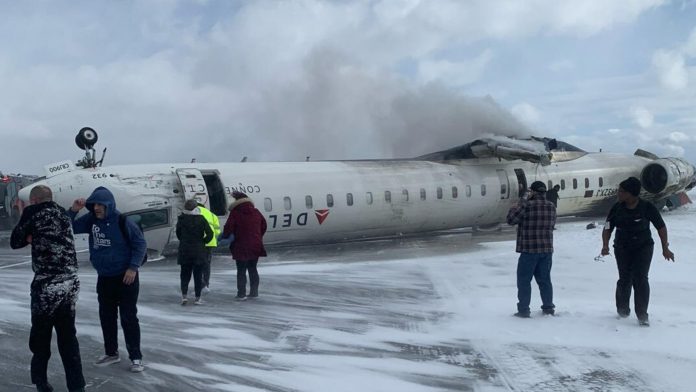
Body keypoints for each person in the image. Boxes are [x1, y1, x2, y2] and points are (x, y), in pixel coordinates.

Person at [10, 185, 86, 392]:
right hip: (70, 282)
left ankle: (41, 383)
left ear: (33, 200)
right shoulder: (62, 213)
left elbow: (14, 242)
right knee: (68, 337)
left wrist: (26, 232)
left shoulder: (33, 212)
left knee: (41, 337)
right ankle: (77, 386)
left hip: (47, 285)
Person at [68, 186, 147, 372]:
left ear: (109, 205)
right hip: (104, 277)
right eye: (94, 204)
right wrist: (73, 211)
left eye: (100, 205)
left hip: (126, 277)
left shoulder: (123, 221)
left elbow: (140, 244)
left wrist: (132, 268)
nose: (96, 208)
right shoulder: (91, 220)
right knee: (107, 317)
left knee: (128, 318)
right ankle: (111, 353)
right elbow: (69, 226)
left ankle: (136, 357)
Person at [601, 177, 674, 326]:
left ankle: (642, 315)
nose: (619, 194)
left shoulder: (647, 207)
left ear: (631, 193)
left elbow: (661, 227)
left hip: (643, 247)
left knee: (640, 279)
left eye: (622, 191)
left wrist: (665, 248)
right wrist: (605, 245)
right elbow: (608, 227)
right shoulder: (617, 208)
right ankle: (622, 311)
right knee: (624, 279)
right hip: (622, 248)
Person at [506, 181, 557, 318]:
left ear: (533, 192)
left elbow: (511, 220)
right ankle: (548, 308)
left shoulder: (527, 206)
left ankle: (523, 310)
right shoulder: (551, 206)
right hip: (546, 249)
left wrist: (515, 206)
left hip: (529, 250)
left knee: (524, 281)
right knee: (545, 281)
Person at [221, 191, 267, 300]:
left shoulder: (235, 213)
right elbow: (264, 225)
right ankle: (254, 292)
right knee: (253, 268)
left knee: (241, 270)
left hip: (241, 246)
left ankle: (241, 294)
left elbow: (228, 228)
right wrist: (257, 236)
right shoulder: (256, 212)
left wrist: (225, 237)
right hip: (255, 245)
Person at [176, 200, 214, 305]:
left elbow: (178, 234)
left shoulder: (181, 219)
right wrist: (203, 241)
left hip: (185, 250)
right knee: (198, 275)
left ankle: (184, 296)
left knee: (184, 275)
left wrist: (184, 241)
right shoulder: (201, 219)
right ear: (195, 208)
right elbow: (210, 234)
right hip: (199, 251)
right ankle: (197, 298)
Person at [197, 202, 220, 293]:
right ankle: (206, 284)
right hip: (210, 243)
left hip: (199, 243)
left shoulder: (196, 213)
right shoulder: (212, 215)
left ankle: (200, 285)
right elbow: (217, 231)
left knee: (197, 265)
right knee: (206, 265)